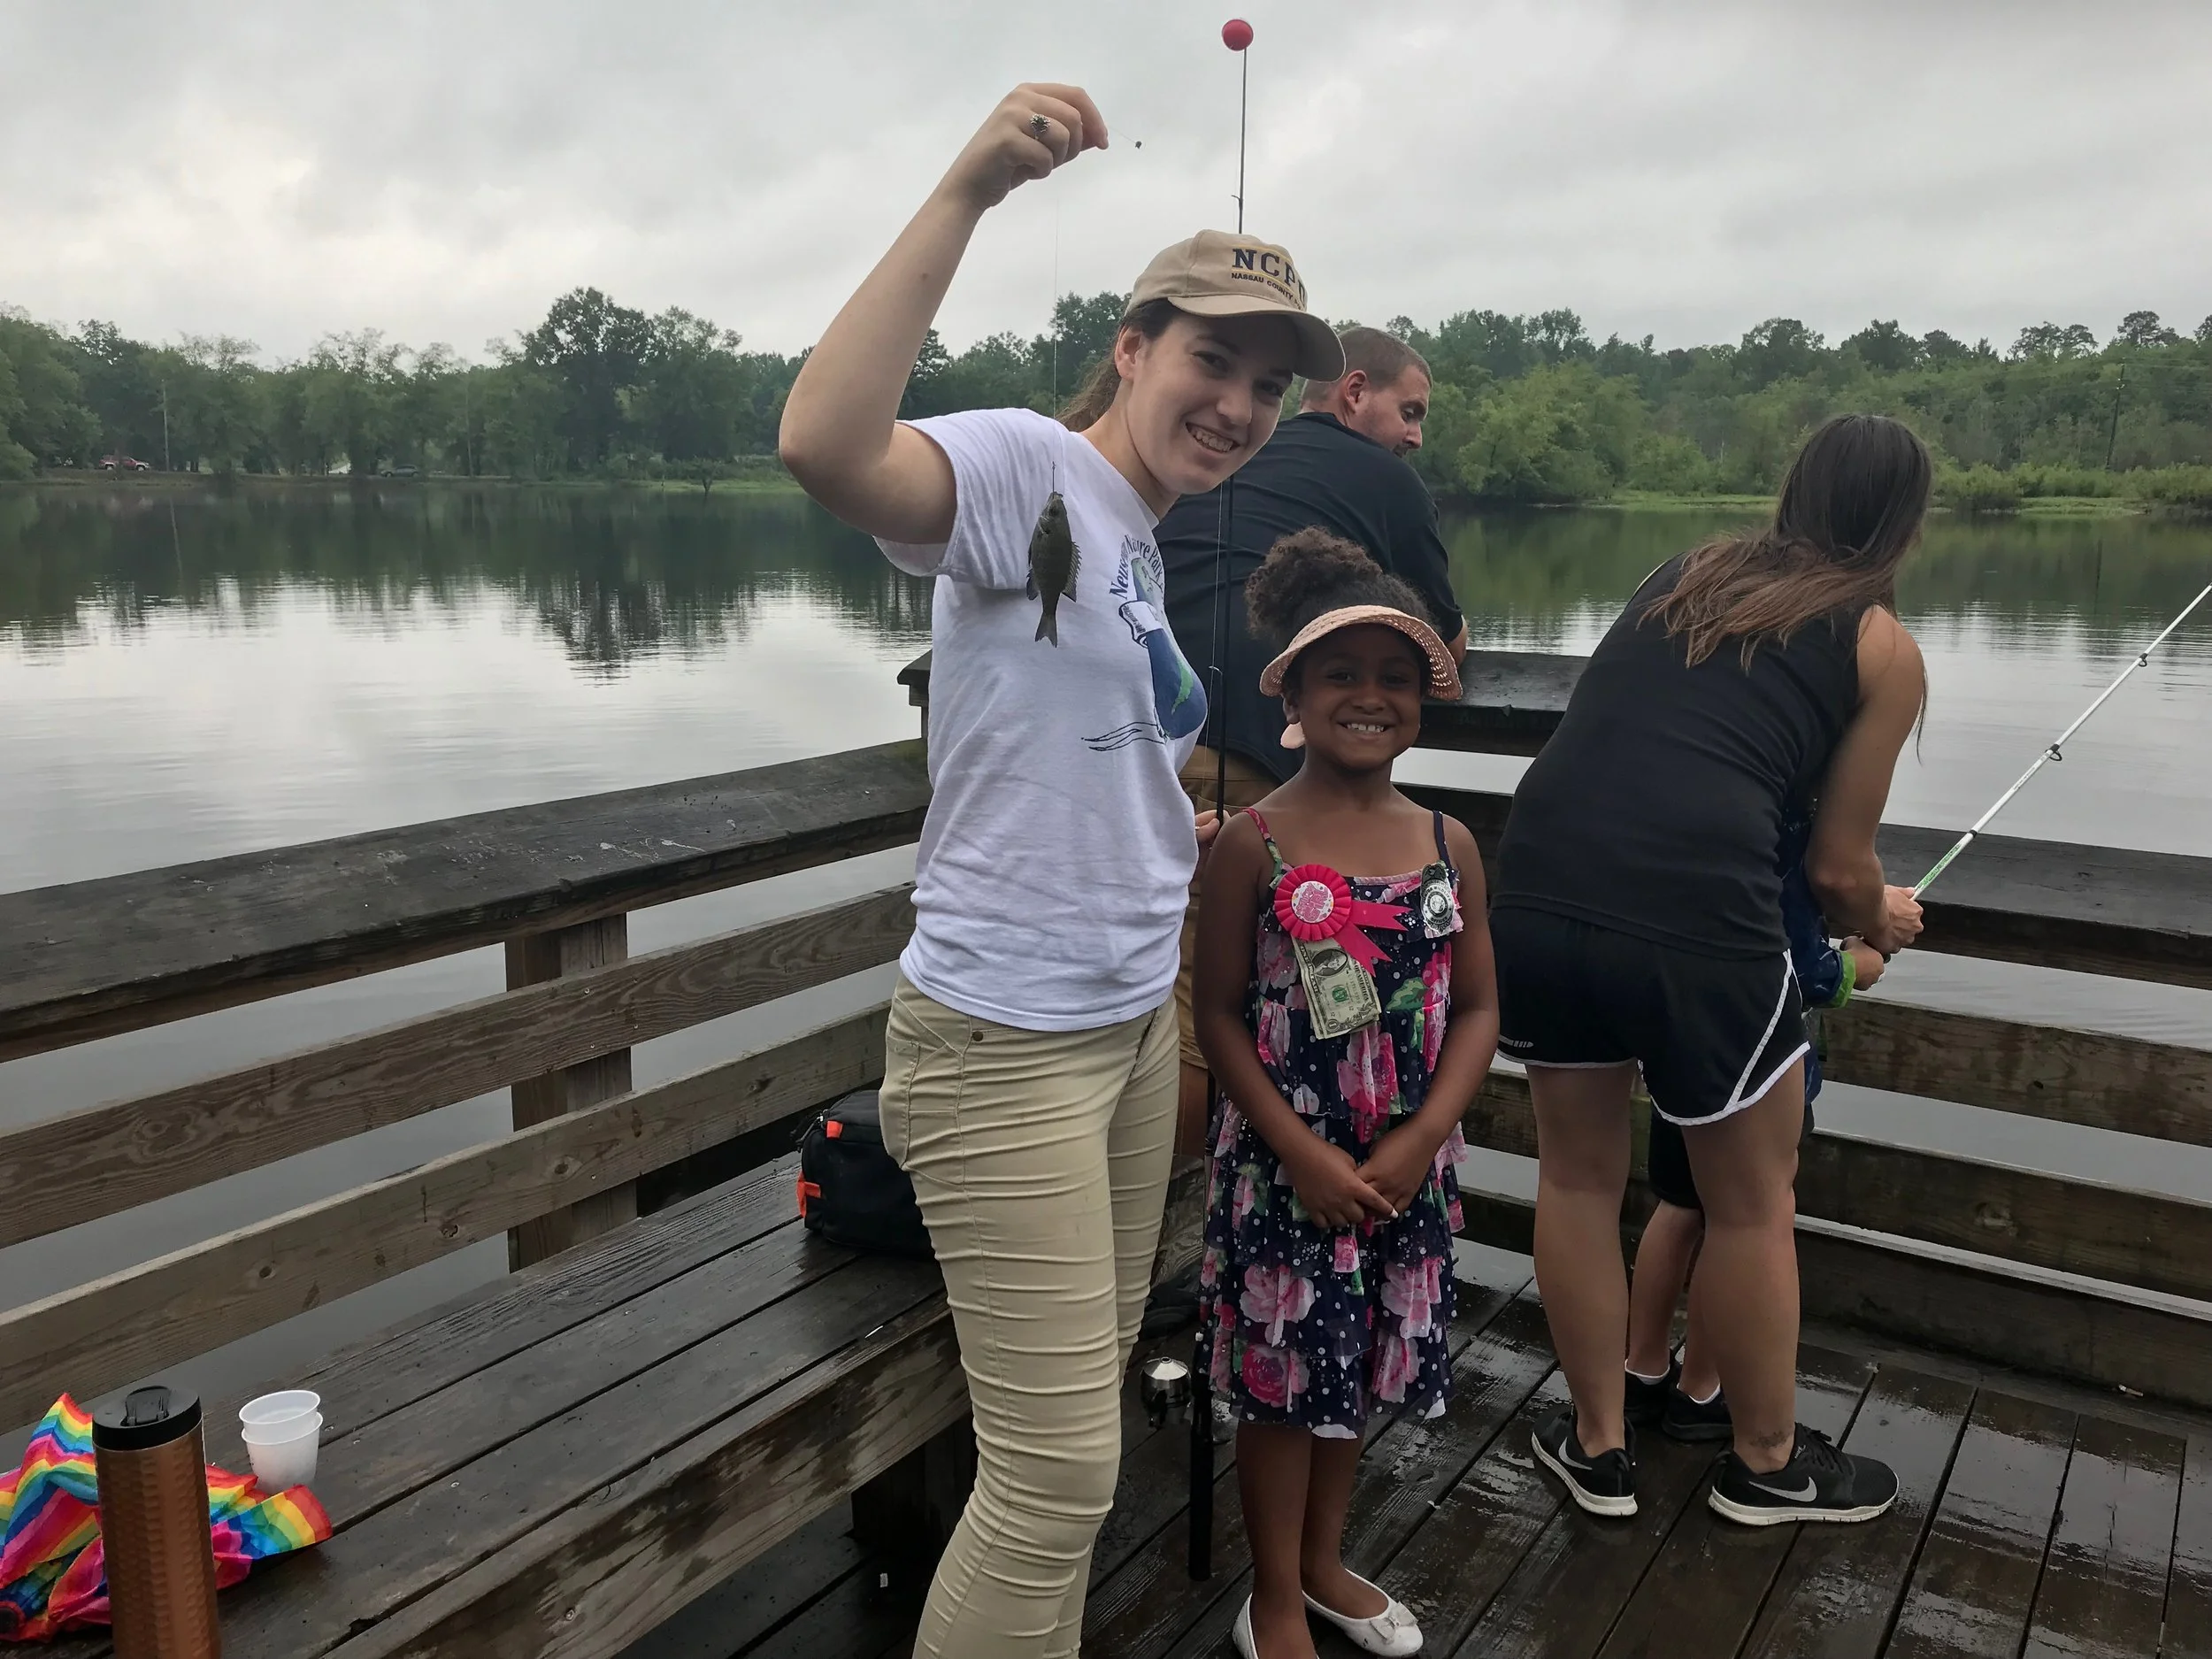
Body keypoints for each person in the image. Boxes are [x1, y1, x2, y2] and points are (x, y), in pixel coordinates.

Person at [778, 82, 1344, 1659]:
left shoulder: (1138, 534)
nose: (1236, 403)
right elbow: (824, 444)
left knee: (1079, 1423)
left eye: (1266, 384)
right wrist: (966, 185)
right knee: (1060, 1472)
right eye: (1210, 361)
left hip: (1122, 1032)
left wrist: (1188, 843)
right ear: (1133, 346)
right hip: (998, 1047)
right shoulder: (1029, 470)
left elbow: (1094, 746)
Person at [1487, 413, 1929, 1526]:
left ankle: (1595, 1447)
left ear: (1794, 490)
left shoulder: (1680, 573)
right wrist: (1883, 914)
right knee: (1750, 1207)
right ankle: (1765, 1464)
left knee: (1578, 1181)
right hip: (1698, 924)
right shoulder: (1880, 644)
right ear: (1904, 523)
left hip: (1536, 886)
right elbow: (1836, 872)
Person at [1191, 530, 1498, 1659]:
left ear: (1423, 700)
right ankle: (1271, 1591)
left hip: (1401, 1172)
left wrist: (1422, 1138)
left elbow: (1475, 1011)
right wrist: (1299, 1152)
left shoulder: (1447, 843)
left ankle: (1324, 1560)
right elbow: (1218, 1014)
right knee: (1282, 1375)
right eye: (1341, 676)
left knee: (1356, 1356)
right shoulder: (1252, 844)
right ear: (1295, 694)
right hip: (1285, 1169)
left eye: (1395, 680)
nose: (1369, 699)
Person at [1159, 327, 1471, 1163]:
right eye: (1409, 411)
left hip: (1131, 732)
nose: (1413, 436)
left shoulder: (1216, 449)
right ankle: (1161, 1229)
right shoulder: (1385, 480)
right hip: (1241, 756)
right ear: (1353, 389)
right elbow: (1441, 634)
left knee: (1145, 990)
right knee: (1196, 1013)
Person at [1623, 810, 1900, 1440]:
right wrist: (1862, 959)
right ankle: (1700, 1391)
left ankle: (1639, 1372)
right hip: (1757, 1062)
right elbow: (1800, 968)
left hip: (1677, 1042)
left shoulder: (1700, 807)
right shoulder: (1796, 816)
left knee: (1679, 1204)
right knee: (1744, 1220)